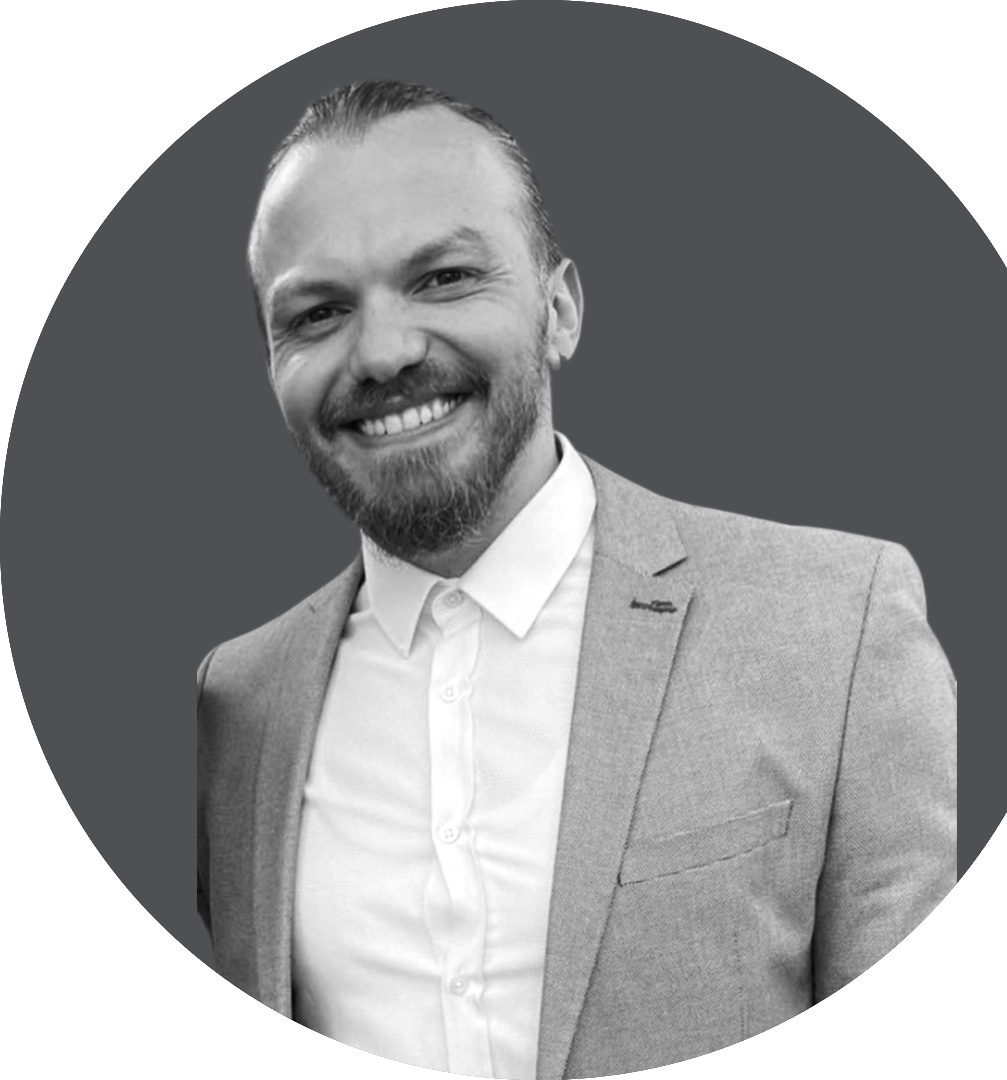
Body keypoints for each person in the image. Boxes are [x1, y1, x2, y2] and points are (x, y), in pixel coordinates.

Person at [197, 80, 957, 1080]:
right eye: (317, 312)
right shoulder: (237, 703)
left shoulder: (839, 627)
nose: (380, 353)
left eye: (444, 277)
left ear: (559, 312)